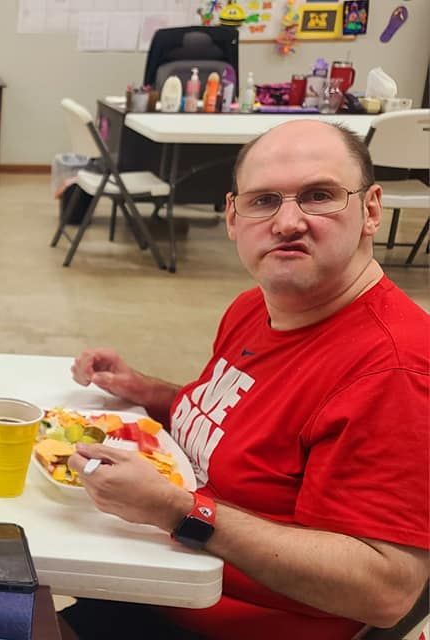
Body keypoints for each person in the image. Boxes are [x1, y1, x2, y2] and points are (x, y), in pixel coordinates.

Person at [61, 120, 429, 640]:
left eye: (319, 196)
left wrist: (180, 511)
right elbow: (237, 428)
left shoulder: (397, 369)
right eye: (263, 202)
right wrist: (149, 392)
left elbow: (386, 590)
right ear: (233, 217)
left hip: (218, 620)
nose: (287, 222)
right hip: (162, 576)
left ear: (370, 209)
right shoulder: (257, 306)